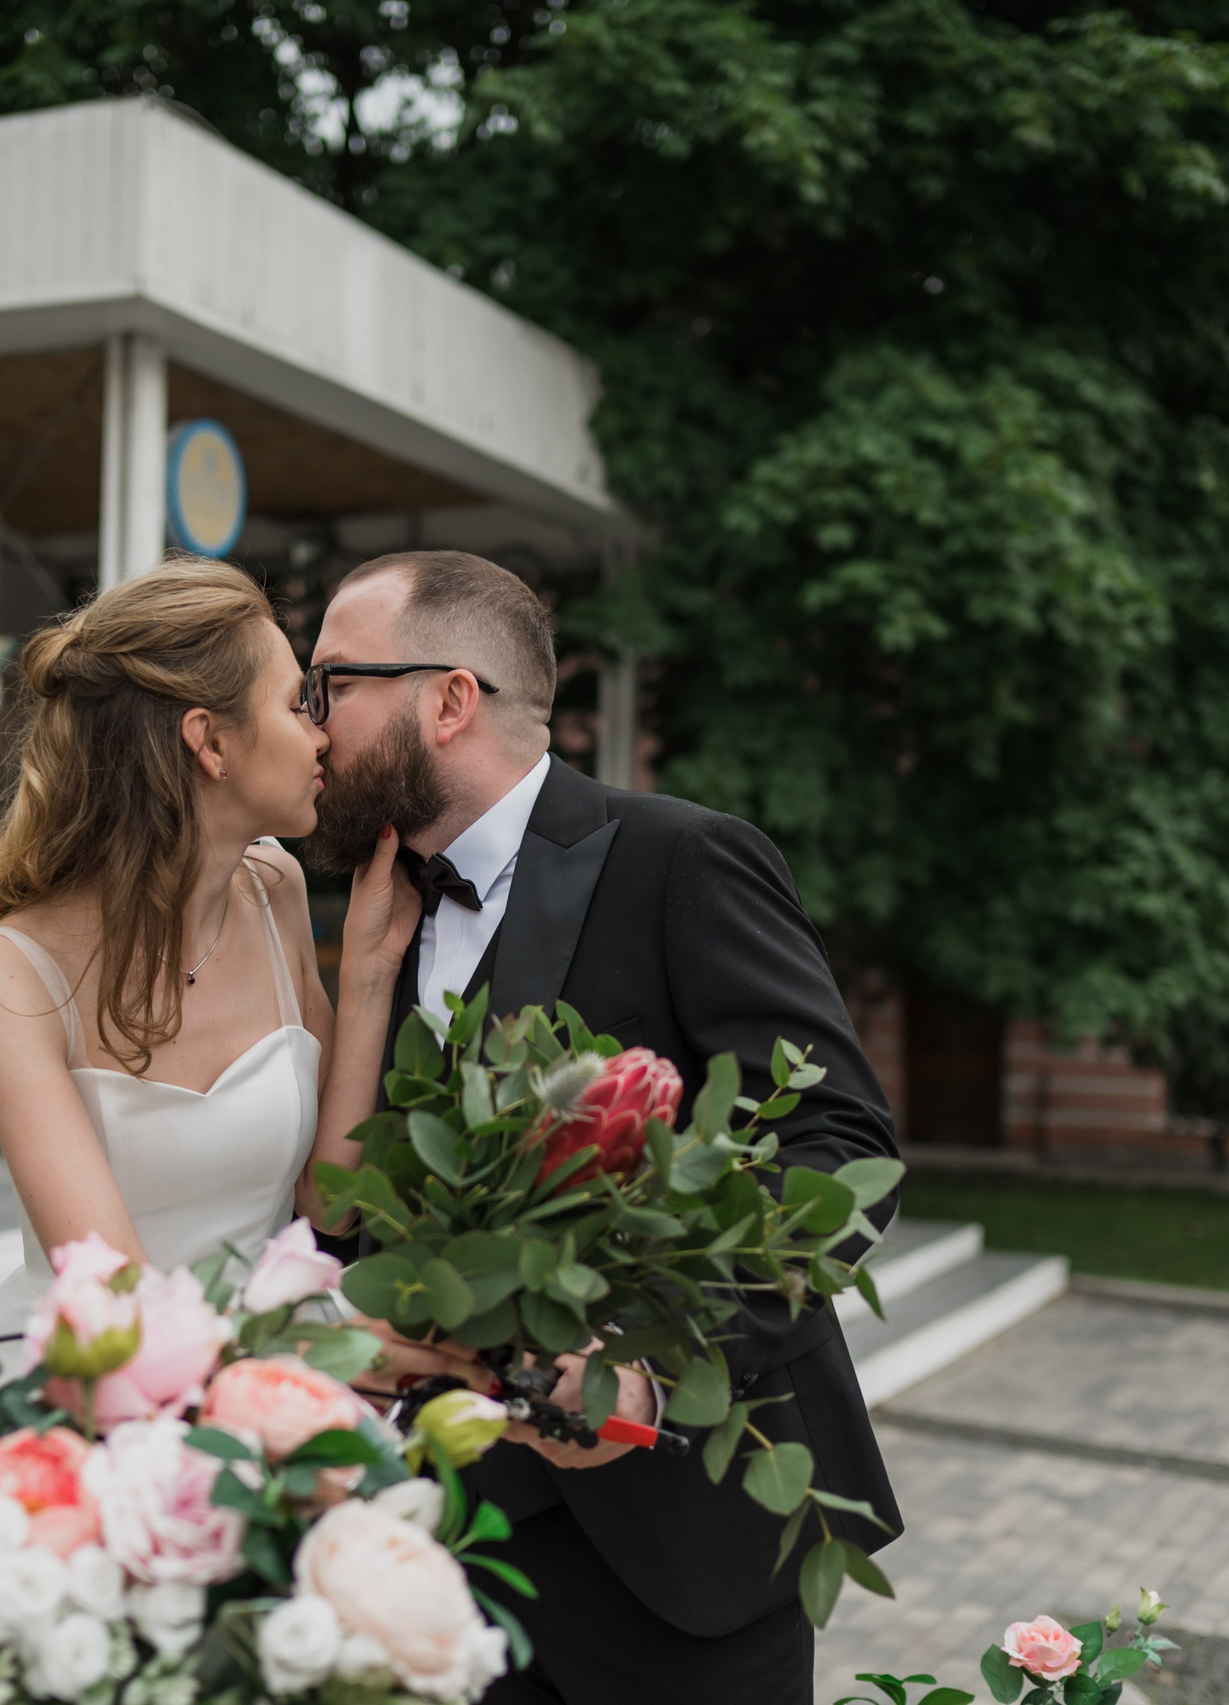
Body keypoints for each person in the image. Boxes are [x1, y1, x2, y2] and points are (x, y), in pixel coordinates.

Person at [304, 550, 904, 1705]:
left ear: (447, 698)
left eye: (333, 682)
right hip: (451, 1548)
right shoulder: (384, 916)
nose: (312, 718)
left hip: (677, 1541)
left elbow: (841, 1147)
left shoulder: (679, 857)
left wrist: (645, 1369)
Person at [0, 557, 423, 1343]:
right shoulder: (13, 970)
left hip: (270, 1361)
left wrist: (370, 970)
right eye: (296, 703)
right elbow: (115, 1298)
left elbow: (327, 1201)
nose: (321, 732)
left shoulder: (278, 892)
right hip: (106, 1377)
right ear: (209, 742)